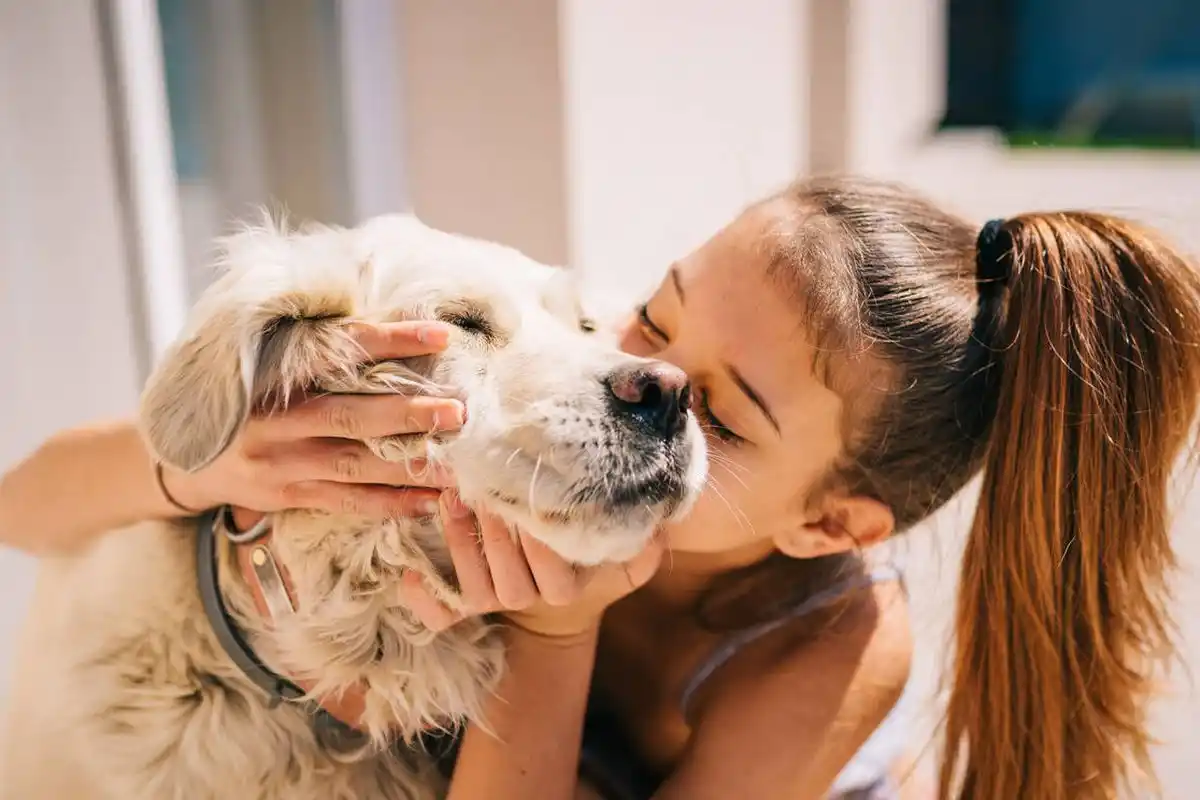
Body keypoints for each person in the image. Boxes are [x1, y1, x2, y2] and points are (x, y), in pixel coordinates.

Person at [2, 176, 1197, 800]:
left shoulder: (833, 638)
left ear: (825, 520)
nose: (645, 380)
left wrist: (556, 631)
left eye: (719, 412)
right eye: (652, 314)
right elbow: (22, 503)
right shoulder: (537, 430)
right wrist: (195, 463)